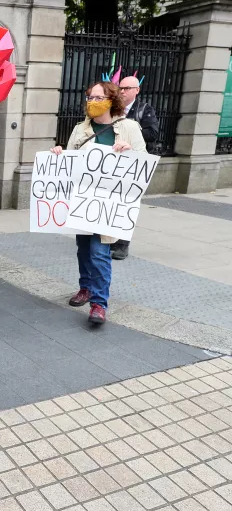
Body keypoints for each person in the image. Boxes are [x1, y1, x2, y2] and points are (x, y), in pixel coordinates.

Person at [52, 80, 146, 324]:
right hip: (83, 202)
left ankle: (99, 303)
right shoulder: (81, 129)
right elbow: (70, 162)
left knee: (99, 251)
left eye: (98, 98)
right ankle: (85, 288)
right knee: (84, 249)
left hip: (109, 204)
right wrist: (59, 155)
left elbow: (144, 163)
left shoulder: (129, 128)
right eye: (90, 98)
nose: (92, 102)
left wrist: (131, 152)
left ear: (111, 101)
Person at [113, 75, 160, 260]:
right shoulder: (114, 109)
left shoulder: (144, 109)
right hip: (114, 163)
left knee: (128, 203)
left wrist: (132, 130)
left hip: (133, 164)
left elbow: (153, 133)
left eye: (127, 88)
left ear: (137, 90)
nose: (122, 91)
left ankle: (122, 244)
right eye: (120, 88)